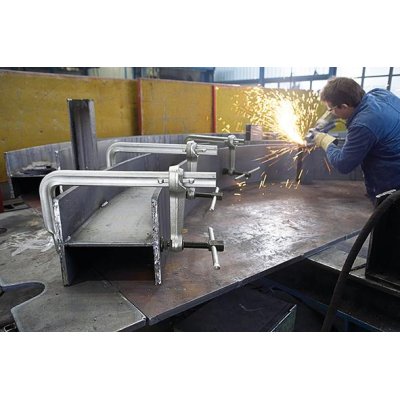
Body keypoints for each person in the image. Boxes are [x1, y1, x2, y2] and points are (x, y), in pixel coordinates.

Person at [314, 77, 400, 203]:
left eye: (330, 109)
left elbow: (343, 164)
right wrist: (326, 119)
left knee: (389, 214)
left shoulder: (363, 125)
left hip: (392, 183)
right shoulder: (380, 93)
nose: (331, 112)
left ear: (344, 106)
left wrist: (324, 140)